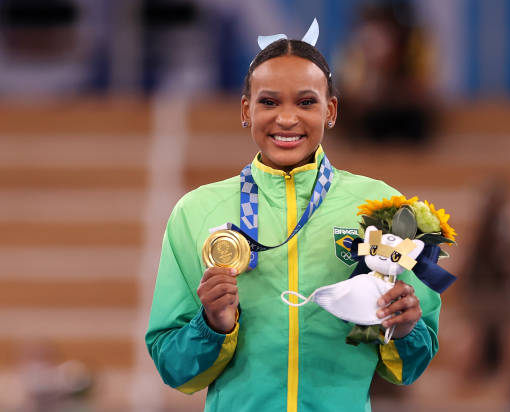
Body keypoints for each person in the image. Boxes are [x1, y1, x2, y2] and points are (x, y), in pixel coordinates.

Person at [145, 26, 441, 412]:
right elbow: (174, 368)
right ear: (246, 110)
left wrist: (402, 328)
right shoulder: (196, 211)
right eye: (269, 102)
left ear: (330, 110)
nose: (286, 119)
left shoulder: (386, 209)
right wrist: (213, 324)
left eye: (305, 102)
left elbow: (411, 365)